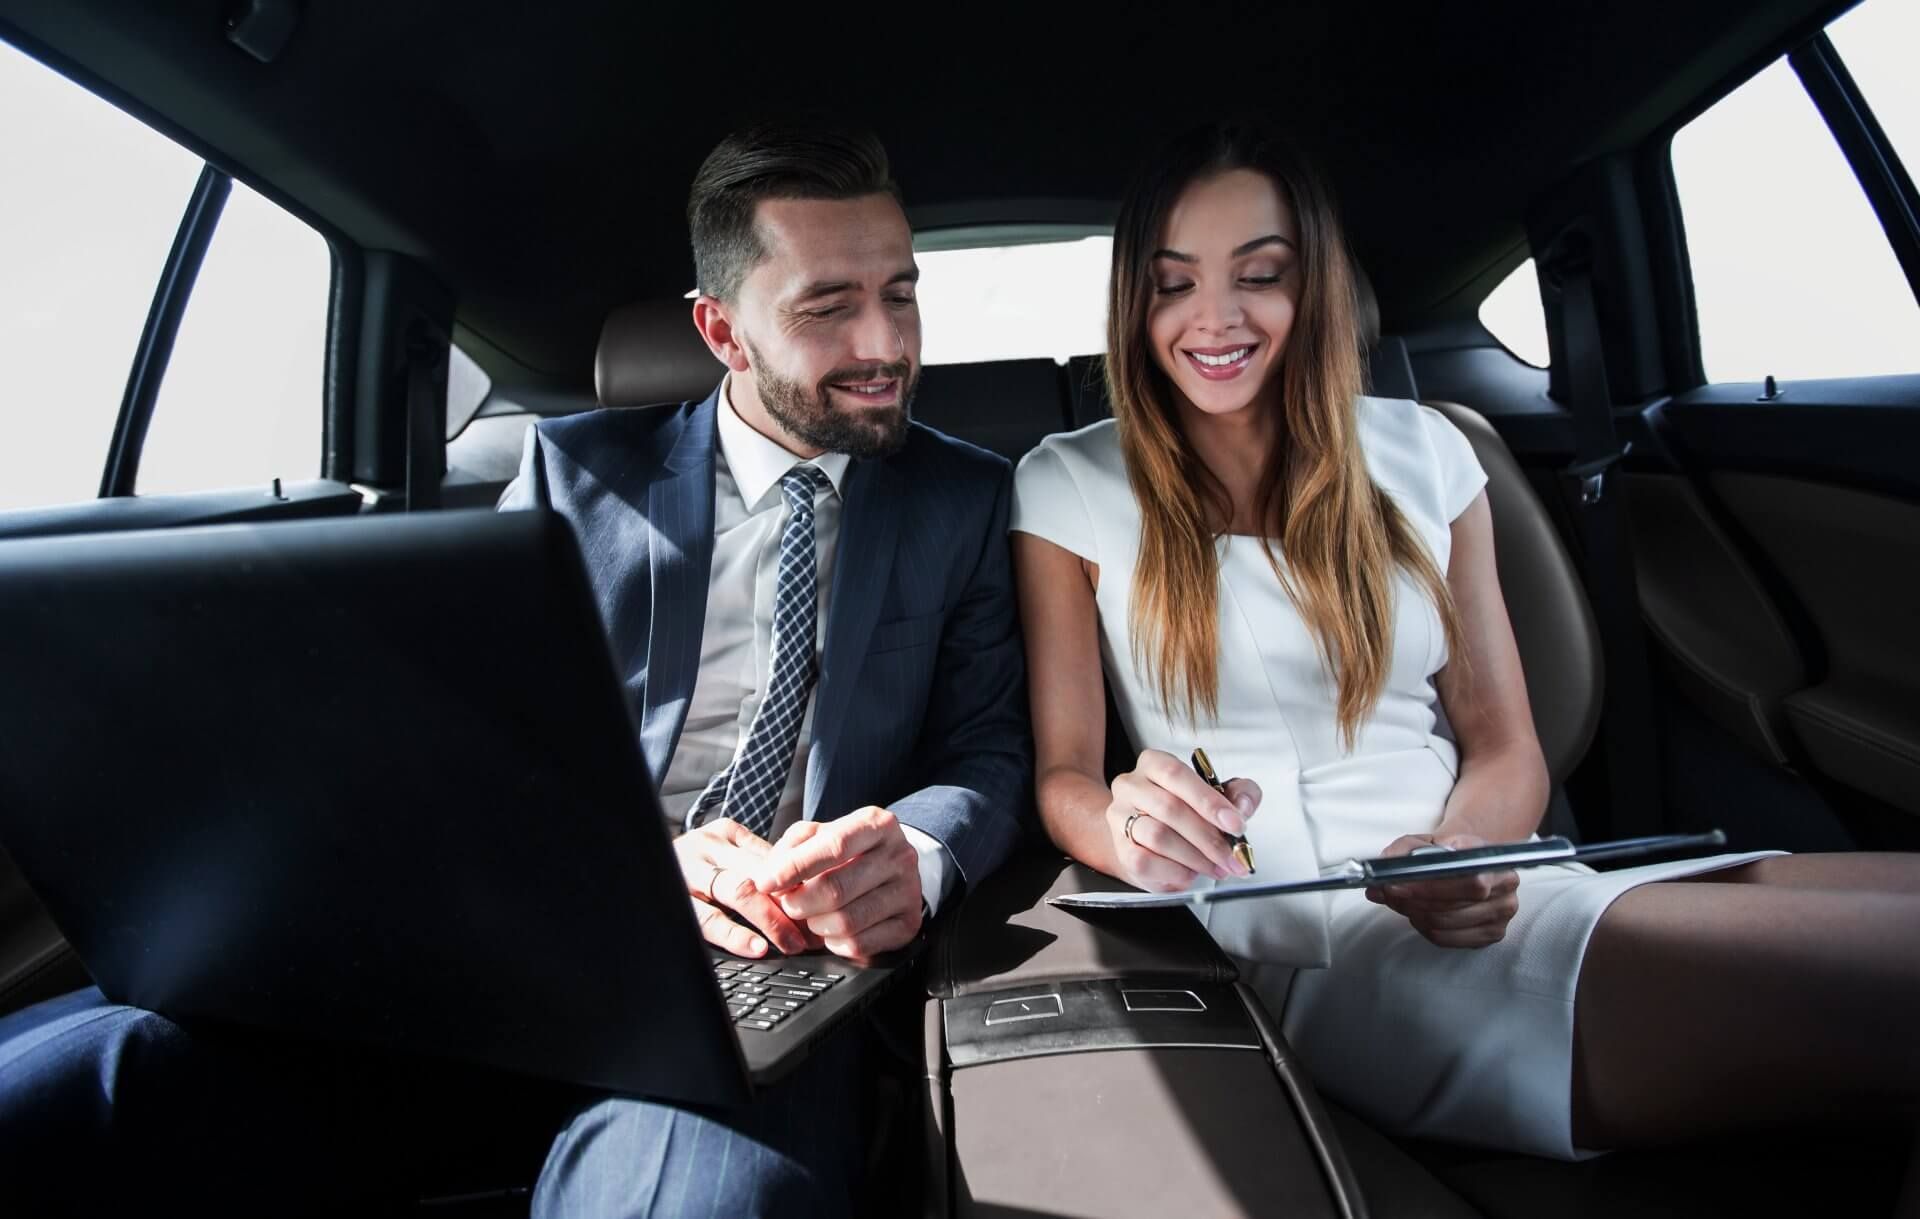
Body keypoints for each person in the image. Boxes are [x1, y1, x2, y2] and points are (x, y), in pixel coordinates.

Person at [0, 119, 1030, 1217]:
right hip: (527, 956)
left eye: (901, 295)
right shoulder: (575, 474)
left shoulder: (961, 498)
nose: (886, 342)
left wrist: (913, 856)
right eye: (830, 307)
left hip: (779, 972)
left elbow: (987, 745)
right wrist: (635, 874)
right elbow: (461, 753)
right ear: (723, 332)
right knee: (80, 1081)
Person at [1009, 118, 1920, 1160]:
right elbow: (1067, 776)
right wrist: (1126, 825)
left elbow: (1505, 749)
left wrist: (1460, 855)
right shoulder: (1070, 481)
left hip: (1507, 883)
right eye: (1173, 284)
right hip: (1313, 945)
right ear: (1137, 302)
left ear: (1316, 286)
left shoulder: (1427, 449)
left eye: (1258, 274)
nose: (1213, 317)